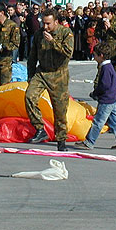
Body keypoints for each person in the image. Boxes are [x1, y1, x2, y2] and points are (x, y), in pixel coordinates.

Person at [26, 8, 74, 151]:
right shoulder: (39, 34)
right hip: (42, 73)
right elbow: (32, 56)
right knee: (29, 96)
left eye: (48, 24)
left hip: (59, 75)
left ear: (56, 22)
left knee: (60, 109)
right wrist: (30, 75)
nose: (45, 27)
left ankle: (61, 139)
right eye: (44, 23)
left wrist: (53, 42)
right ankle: (40, 128)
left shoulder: (66, 33)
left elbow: (68, 53)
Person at [75, 43, 116, 150]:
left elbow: (104, 85)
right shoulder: (110, 67)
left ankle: (89, 142)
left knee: (98, 121)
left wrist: (95, 93)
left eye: (95, 55)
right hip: (112, 99)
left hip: (106, 100)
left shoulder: (105, 68)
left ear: (101, 55)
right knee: (114, 121)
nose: (94, 58)